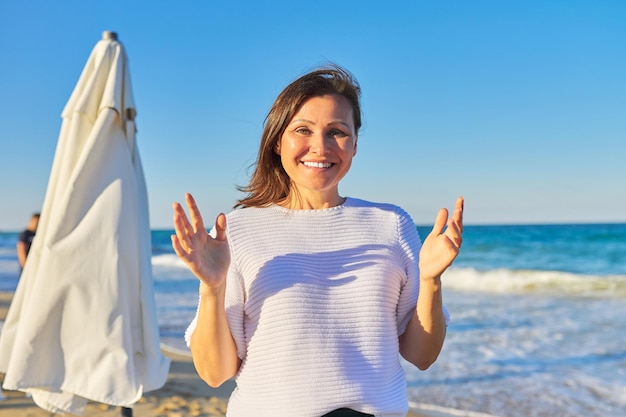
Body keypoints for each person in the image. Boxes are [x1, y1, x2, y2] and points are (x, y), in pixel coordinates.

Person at [172, 65, 464, 417]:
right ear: (278, 141)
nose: (320, 147)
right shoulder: (239, 231)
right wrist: (212, 287)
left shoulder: (392, 224)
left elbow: (422, 356)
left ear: (354, 144)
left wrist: (431, 280)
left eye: (337, 132)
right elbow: (214, 373)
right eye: (303, 130)